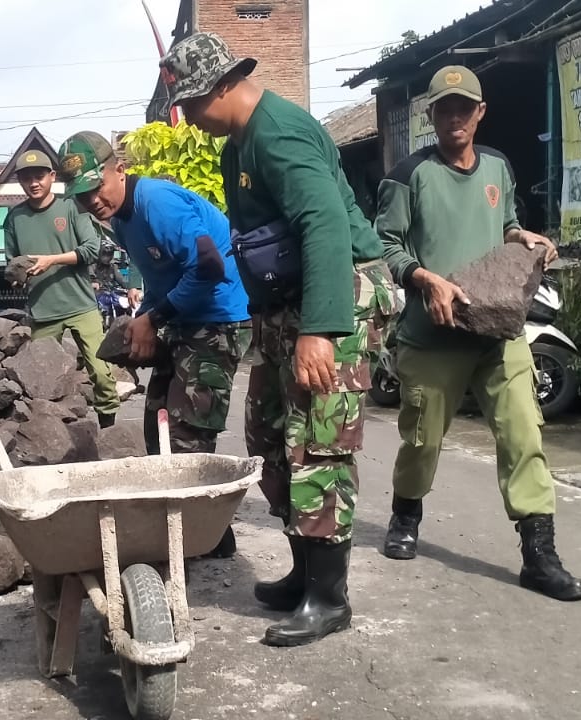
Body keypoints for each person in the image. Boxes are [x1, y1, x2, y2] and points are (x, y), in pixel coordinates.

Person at [163, 32, 402, 646]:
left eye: (190, 104)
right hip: (283, 308)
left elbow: (323, 225)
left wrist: (321, 332)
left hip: (333, 298)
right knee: (270, 434)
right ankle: (302, 572)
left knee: (318, 442)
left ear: (221, 86)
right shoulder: (236, 147)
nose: (187, 118)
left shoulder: (279, 133)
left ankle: (330, 598)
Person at [373, 66, 581, 602]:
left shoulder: (497, 166)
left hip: (498, 331)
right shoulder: (408, 174)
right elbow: (384, 246)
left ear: (480, 112)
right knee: (422, 439)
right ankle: (405, 516)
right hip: (433, 335)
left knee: (523, 434)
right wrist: (424, 279)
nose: (454, 118)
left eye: (464, 108)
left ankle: (539, 555)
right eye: (444, 109)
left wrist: (523, 236)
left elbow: (506, 222)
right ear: (431, 116)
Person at [57, 130, 251, 558]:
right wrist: (145, 322)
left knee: (187, 432)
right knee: (157, 422)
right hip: (184, 316)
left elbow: (209, 266)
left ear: (119, 169)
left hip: (219, 316)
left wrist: (153, 320)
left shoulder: (155, 203)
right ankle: (201, 531)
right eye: (81, 195)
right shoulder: (120, 219)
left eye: (95, 187)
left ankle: (206, 537)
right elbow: (167, 278)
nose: (91, 201)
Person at [3, 148, 121, 428]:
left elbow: (92, 249)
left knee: (102, 373)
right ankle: (51, 433)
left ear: (52, 177)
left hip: (82, 306)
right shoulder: (14, 218)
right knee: (41, 382)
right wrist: (17, 276)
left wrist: (51, 261)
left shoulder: (71, 207)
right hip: (43, 312)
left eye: (39, 176)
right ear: (20, 181)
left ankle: (110, 430)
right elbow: (11, 263)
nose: (34, 182)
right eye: (26, 177)